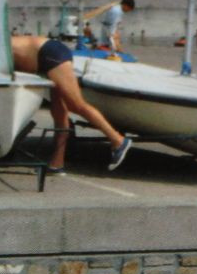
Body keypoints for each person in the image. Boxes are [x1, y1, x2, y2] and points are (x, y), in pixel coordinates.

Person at [12, 35, 132, 172]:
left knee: (76, 104)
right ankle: (57, 163)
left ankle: (118, 140)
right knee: (58, 112)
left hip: (49, 53)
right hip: (46, 57)